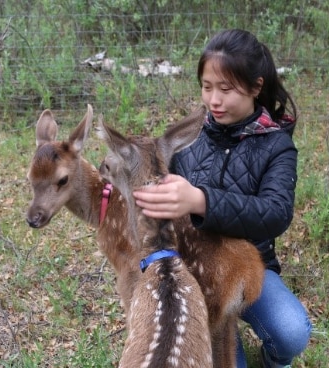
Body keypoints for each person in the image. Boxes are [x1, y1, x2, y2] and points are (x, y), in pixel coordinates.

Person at [132, 29, 311, 368]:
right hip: (195, 269)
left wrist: (201, 201)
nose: (213, 100)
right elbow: (151, 180)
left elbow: (275, 213)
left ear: (256, 87)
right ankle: (221, 327)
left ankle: (275, 359)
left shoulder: (276, 146)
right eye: (206, 87)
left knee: (290, 333)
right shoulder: (190, 137)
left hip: (250, 268)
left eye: (225, 89)